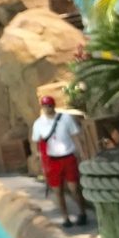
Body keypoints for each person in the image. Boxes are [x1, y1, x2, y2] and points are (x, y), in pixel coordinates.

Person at [32, 95, 87, 228]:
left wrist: (81, 153)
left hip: (68, 156)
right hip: (52, 160)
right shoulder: (39, 123)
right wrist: (41, 160)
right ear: (42, 107)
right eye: (45, 106)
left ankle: (82, 213)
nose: (47, 108)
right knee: (58, 190)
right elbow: (37, 143)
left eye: (50, 105)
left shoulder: (65, 118)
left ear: (54, 105)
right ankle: (65, 217)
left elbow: (75, 136)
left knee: (74, 188)